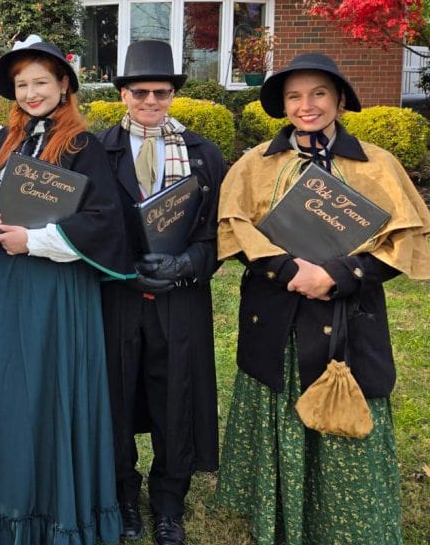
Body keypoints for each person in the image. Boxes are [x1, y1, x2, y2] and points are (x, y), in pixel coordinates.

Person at [214, 52, 430, 545]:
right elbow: (234, 229)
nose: (305, 105)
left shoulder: (376, 164)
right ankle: (280, 514)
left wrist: (338, 275)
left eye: (317, 94)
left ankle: (345, 519)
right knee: (282, 396)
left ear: (338, 100)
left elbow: (404, 243)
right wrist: (289, 270)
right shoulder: (255, 163)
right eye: (294, 96)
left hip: (347, 315)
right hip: (278, 313)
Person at [0, 35, 131, 545]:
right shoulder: (0, 144)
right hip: (9, 287)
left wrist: (32, 240)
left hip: (59, 287)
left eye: (41, 82)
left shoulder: (84, 146)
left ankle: (60, 510)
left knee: (53, 389)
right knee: (12, 387)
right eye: (22, 85)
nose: (32, 93)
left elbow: (104, 222)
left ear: (64, 85)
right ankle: (11, 505)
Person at [97, 40, 223, 545]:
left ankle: (169, 501)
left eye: (162, 92)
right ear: (123, 93)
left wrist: (186, 264)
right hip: (119, 296)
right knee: (117, 397)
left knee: (178, 399)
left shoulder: (203, 154)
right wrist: (123, 265)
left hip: (179, 299)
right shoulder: (97, 151)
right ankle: (124, 495)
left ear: (173, 94)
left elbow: (218, 231)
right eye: (140, 92)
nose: (151, 102)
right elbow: (88, 225)